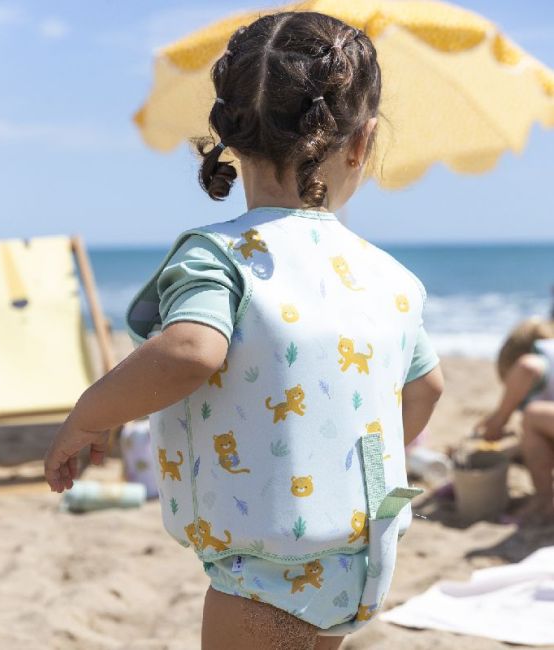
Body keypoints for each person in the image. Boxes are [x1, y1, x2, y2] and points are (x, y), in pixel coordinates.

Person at [44, 12, 443, 650]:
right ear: (362, 142)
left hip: (262, 564)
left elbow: (190, 350)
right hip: (360, 556)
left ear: (229, 134)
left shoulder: (220, 257)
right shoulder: (389, 277)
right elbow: (427, 389)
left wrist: (90, 414)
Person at [476, 317, 554, 524]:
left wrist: (499, 419)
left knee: (532, 414)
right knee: (534, 427)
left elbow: (527, 368)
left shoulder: (541, 355)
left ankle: (546, 500)